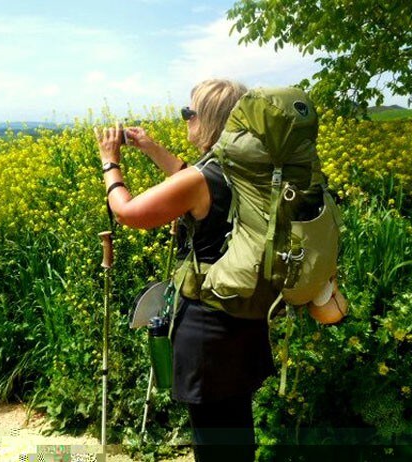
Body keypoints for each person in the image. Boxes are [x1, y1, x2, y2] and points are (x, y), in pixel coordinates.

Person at [96, 79, 276, 462]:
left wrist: (110, 162)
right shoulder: (248, 167)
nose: (185, 120)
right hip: (247, 318)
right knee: (236, 430)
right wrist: (151, 147)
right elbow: (190, 177)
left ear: (207, 120)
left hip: (210, 333)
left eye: (188, 112)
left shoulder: (202, 179)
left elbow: (128, 212)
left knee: (213, 441)